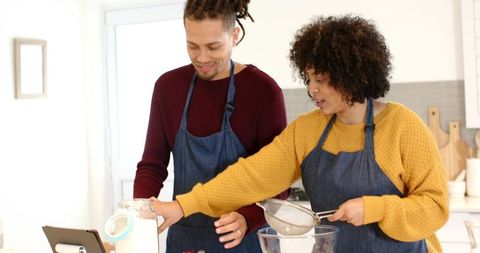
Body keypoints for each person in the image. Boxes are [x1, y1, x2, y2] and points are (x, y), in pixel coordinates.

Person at [150, 15, 449, 253]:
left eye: (321, 80)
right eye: (308, 79)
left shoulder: (403, 126)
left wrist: (376, 208)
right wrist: (183, 205)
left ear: (351, 76)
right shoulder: (308, 130)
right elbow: (251, 175)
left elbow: (436, 208)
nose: (311, 90)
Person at [133, 0, 289, 252]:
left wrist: (248, 217)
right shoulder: (168, 87)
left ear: (234, 35)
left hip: (244, 240)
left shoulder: (263, 91)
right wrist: (139, 210)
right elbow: (152, 165)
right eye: (192, 46)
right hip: (187, 239)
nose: (201, 57)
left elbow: (278, 181)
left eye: (213, 46)